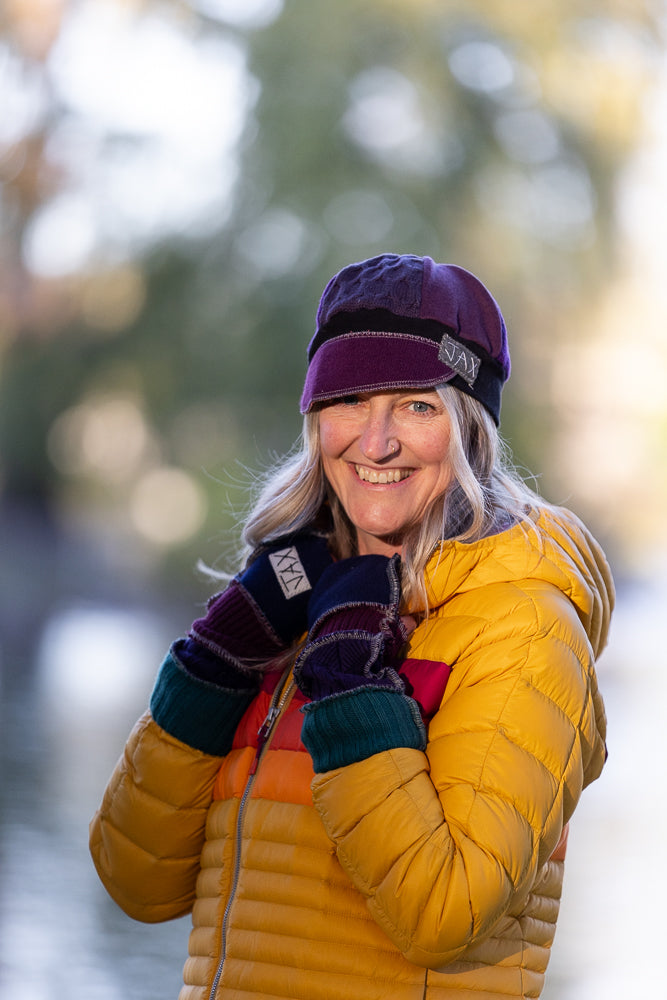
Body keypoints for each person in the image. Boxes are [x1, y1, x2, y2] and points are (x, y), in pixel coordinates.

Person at [90, 253, 613, 1000]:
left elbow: (442, 914)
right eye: (349, 400)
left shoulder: (525, 629)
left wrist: (349, 691)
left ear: (470, 430)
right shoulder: (289, 605)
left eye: (416, 406)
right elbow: (136, 881)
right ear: (314, 419)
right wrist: (213, 667)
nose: (374, 443)